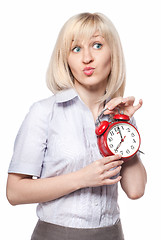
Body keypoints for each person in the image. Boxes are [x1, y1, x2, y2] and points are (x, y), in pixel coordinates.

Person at [6, 12, 147, 240]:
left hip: (111, 234)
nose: (87, 58)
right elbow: (14, 192)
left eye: (97, 45)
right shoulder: (44, 112)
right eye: (76, 49)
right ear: (66, 58)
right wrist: (82, 178)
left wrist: (124, 125)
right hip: (55, 234)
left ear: (113, 54)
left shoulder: (119, 114)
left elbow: (136, 190)